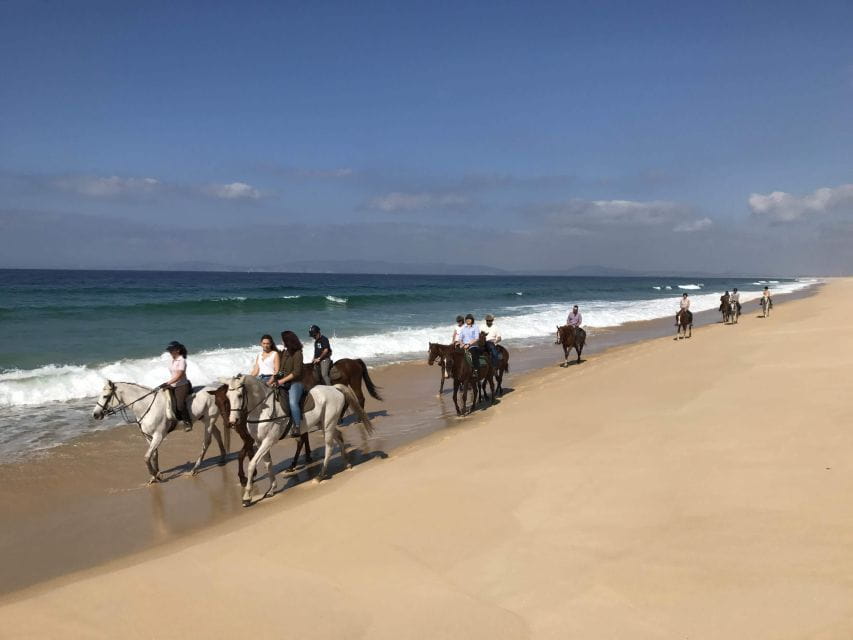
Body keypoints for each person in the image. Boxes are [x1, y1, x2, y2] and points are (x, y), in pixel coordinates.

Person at [275, 331, 305, 437]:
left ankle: (297, 427)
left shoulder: (298, 354)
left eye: (283, 340)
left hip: (296, 383)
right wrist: (276, 377)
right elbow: (281, 370)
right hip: (284, 382)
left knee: (293, 403)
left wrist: (282, 381)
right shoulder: (285, 353)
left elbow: (297, 372)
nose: (281, 342)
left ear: (287, 341)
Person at [161, 341, 192, 431]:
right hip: (172, 384)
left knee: (180, 405)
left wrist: (168, 383)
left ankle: (187, 422)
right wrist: (168, 383)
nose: (170, 352)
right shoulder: (171, 360)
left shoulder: (182, 360)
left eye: (171, 350)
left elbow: (179, 375)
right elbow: (173, 374)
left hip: (182, 385)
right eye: (169, 350)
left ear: (178, 350)